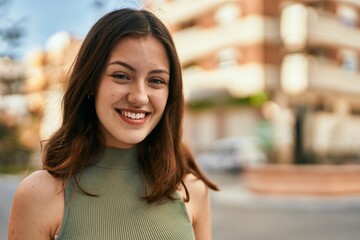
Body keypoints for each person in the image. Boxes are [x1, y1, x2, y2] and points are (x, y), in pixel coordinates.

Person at [8, 8, 219, 240]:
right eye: (121, 76)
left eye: (156, 80)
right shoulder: (39, 195)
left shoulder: (191, 191)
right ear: (91, 83)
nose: (139, 97)